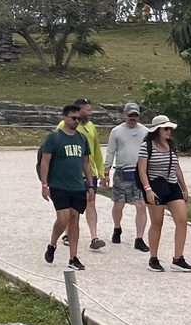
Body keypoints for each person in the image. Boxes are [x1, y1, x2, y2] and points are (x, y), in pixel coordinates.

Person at [38, 102, 92, 270]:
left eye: (78, 118)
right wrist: (44, 184)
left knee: (75, 218)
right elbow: (45, 161)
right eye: (73, 118)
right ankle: (52, 244)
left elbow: (86, 163)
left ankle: (73, 257)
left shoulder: (82, 138)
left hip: (77, 186)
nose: (76, 121)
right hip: (59, 184)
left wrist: (90, 185)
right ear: (65, 118)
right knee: (63, 218)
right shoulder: (54, 137)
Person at [136, 114, 191, 273]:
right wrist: (148, 189)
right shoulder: (146, 146)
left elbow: (177, 167)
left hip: (172, 185)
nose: (169, 132)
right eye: (166, 129)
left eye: (170, 129)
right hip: (155, 185)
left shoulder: (171, 146)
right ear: (157, 130)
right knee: (157, 222)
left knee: (182, 220)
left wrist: (184, 187)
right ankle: (153, 258)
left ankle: (178, 258)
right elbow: (142, 169)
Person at [54, 98, 106, 250]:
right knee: (72, 207)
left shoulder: (91, 127)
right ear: (79, 110)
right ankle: (67, 233)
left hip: (90, 173)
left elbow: (96, 150)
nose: (90, 113)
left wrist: (101, 172)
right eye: (88, 110)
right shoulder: (62, 127)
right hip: (72, 174)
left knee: (91, 202)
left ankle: (94, 237)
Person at [104, 100, 150, 251]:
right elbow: (111, 151)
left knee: (141, 205)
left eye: (135, 115)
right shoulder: (116, 131)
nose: (133, 118)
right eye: (130, 115)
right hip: (122, 172)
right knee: (119, 204)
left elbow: (150, 151)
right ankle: (117, 227)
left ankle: (139, 238)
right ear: (124, 115)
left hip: (139, 172)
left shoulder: (145, 132)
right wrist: (106, 169)